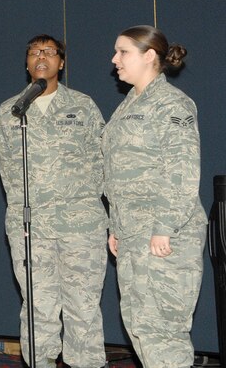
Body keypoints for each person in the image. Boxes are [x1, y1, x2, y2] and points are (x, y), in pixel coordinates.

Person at [0, 35, 108, 368]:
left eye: (48, 52)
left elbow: (102, 162)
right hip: (31, 229)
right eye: (33, 52)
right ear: (26, 63)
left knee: (82, 306)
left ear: (61, 62)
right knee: (37, 307)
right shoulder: (10, 111)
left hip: (81, 226)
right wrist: (21, 217)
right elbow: (8, 173)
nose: (40, 57)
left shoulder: (82, 106)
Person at [102, 25, 207, 368]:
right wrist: (116, 225)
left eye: (123, 52)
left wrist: (165, 226)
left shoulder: (172, 103)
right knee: (141, 327)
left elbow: (181, 170)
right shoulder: (129, 104)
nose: (114, 59)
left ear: (149, 56)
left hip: (163, 235)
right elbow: (119, 171)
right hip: (134, 234)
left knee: (163, 332)